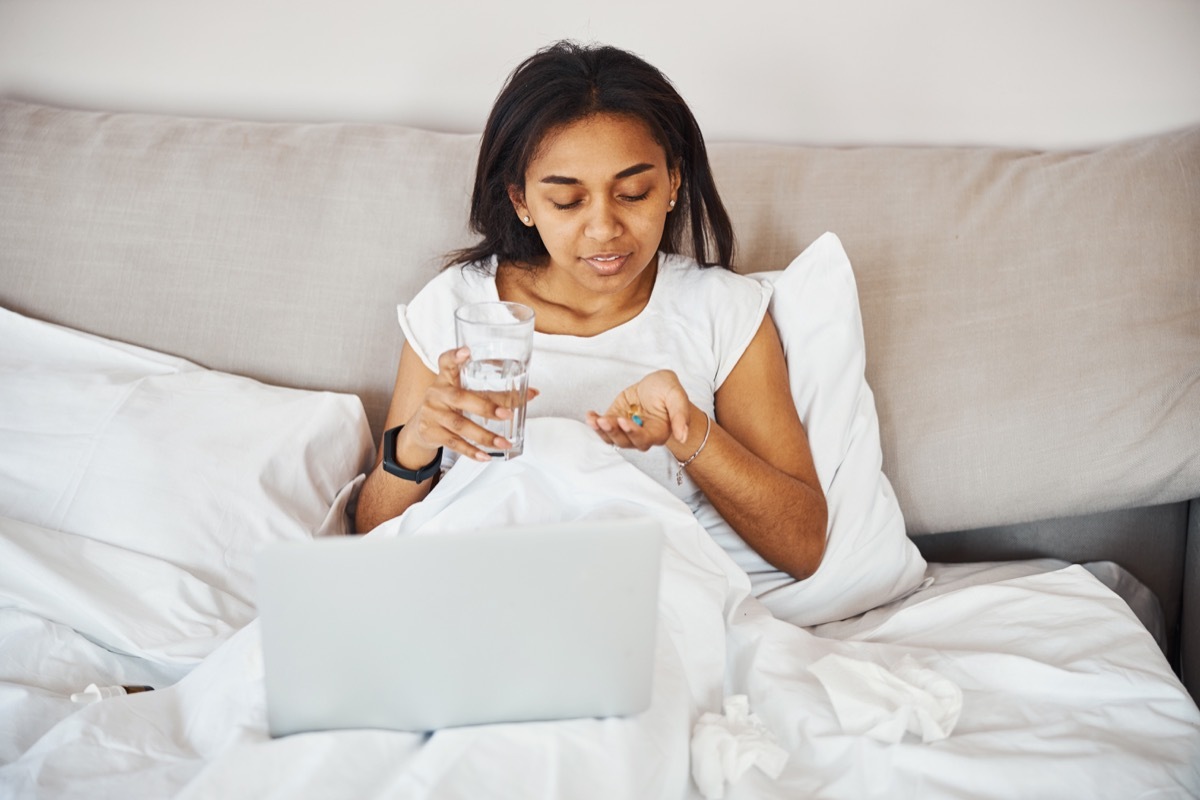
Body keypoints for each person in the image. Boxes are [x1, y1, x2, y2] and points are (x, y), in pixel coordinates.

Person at [354, 40, 827, 582]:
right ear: (521, 201)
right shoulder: (458, 307)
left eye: (632, 192)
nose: (604, 228)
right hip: (471, 586)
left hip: (635, 597)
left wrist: (689, 431)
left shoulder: (721, 312)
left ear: (673, 182)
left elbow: (804, 545)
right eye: (567, 201)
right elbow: (369, 538)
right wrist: (416, 443)